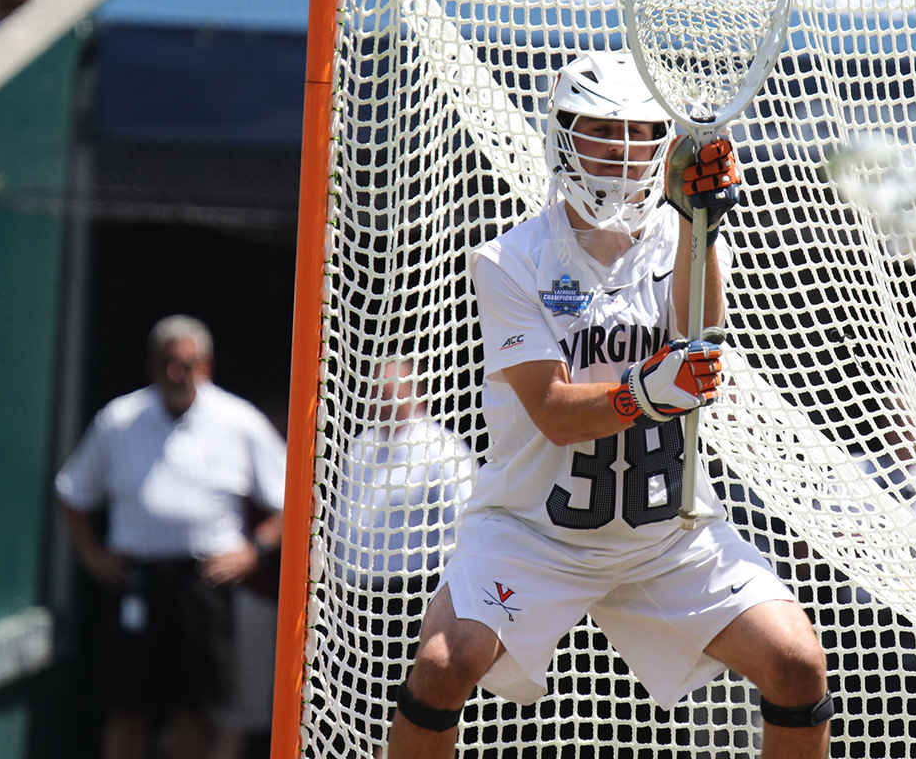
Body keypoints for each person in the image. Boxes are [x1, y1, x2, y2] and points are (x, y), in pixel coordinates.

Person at [385, 51, 832, 759]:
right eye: (599, 131)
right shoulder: (511, 262)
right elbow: (556, 411)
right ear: (561, 133)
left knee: (797, 665)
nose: (620, 153)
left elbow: (699, 337)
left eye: (637, 134)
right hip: (536, 532)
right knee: (443, 666)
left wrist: (699, 226)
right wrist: (645, 392)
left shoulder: (684, 234)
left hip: (665, 535)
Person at [55, 315, 288, 759]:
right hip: (136, 581)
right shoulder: (119, 419)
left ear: (207, 366)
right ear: (151, 365)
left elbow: (290, 499)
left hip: (205, 583)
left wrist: (254, 552)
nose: (178, 373)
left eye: (188, 363)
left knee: (194, 709)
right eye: (168, 363)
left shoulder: (237, 420)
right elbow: (73, 490)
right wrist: (90, 554)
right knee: (127, 708)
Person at [329, 355, 476, 751]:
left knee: (408, 710)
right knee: (361, 711)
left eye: (392, 390)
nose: (383, 399)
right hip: (361, 603)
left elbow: (460, 529)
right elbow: (343, 521)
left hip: (415, 598)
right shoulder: (359, 448)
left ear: (418, 393)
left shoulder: (443, 449)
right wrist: (338, 584)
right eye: (376, 391)